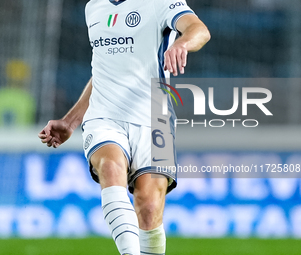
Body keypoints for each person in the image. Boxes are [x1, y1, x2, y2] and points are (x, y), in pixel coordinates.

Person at [39, 0, 210, 254]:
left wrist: (182, 43)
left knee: (149, 207)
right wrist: (71, 121)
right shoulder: (93, 8)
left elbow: (199, 29)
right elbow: (103, 71)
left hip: (156, 116)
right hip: (105, 115)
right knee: (110, 166)